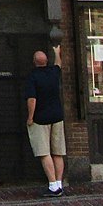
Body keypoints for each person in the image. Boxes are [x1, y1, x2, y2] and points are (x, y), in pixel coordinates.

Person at [25, 43, 66, 197]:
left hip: (40, 118)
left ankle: (53, 184)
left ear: (34, 62)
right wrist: (57, 52)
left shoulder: (33, 77)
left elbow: (32, 99)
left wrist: (30, 117)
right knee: (58, 152)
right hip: (57, 116)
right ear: (46, 61)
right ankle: (60, 183)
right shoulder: (53, 73)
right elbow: (58, 64)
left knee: (44, 152)